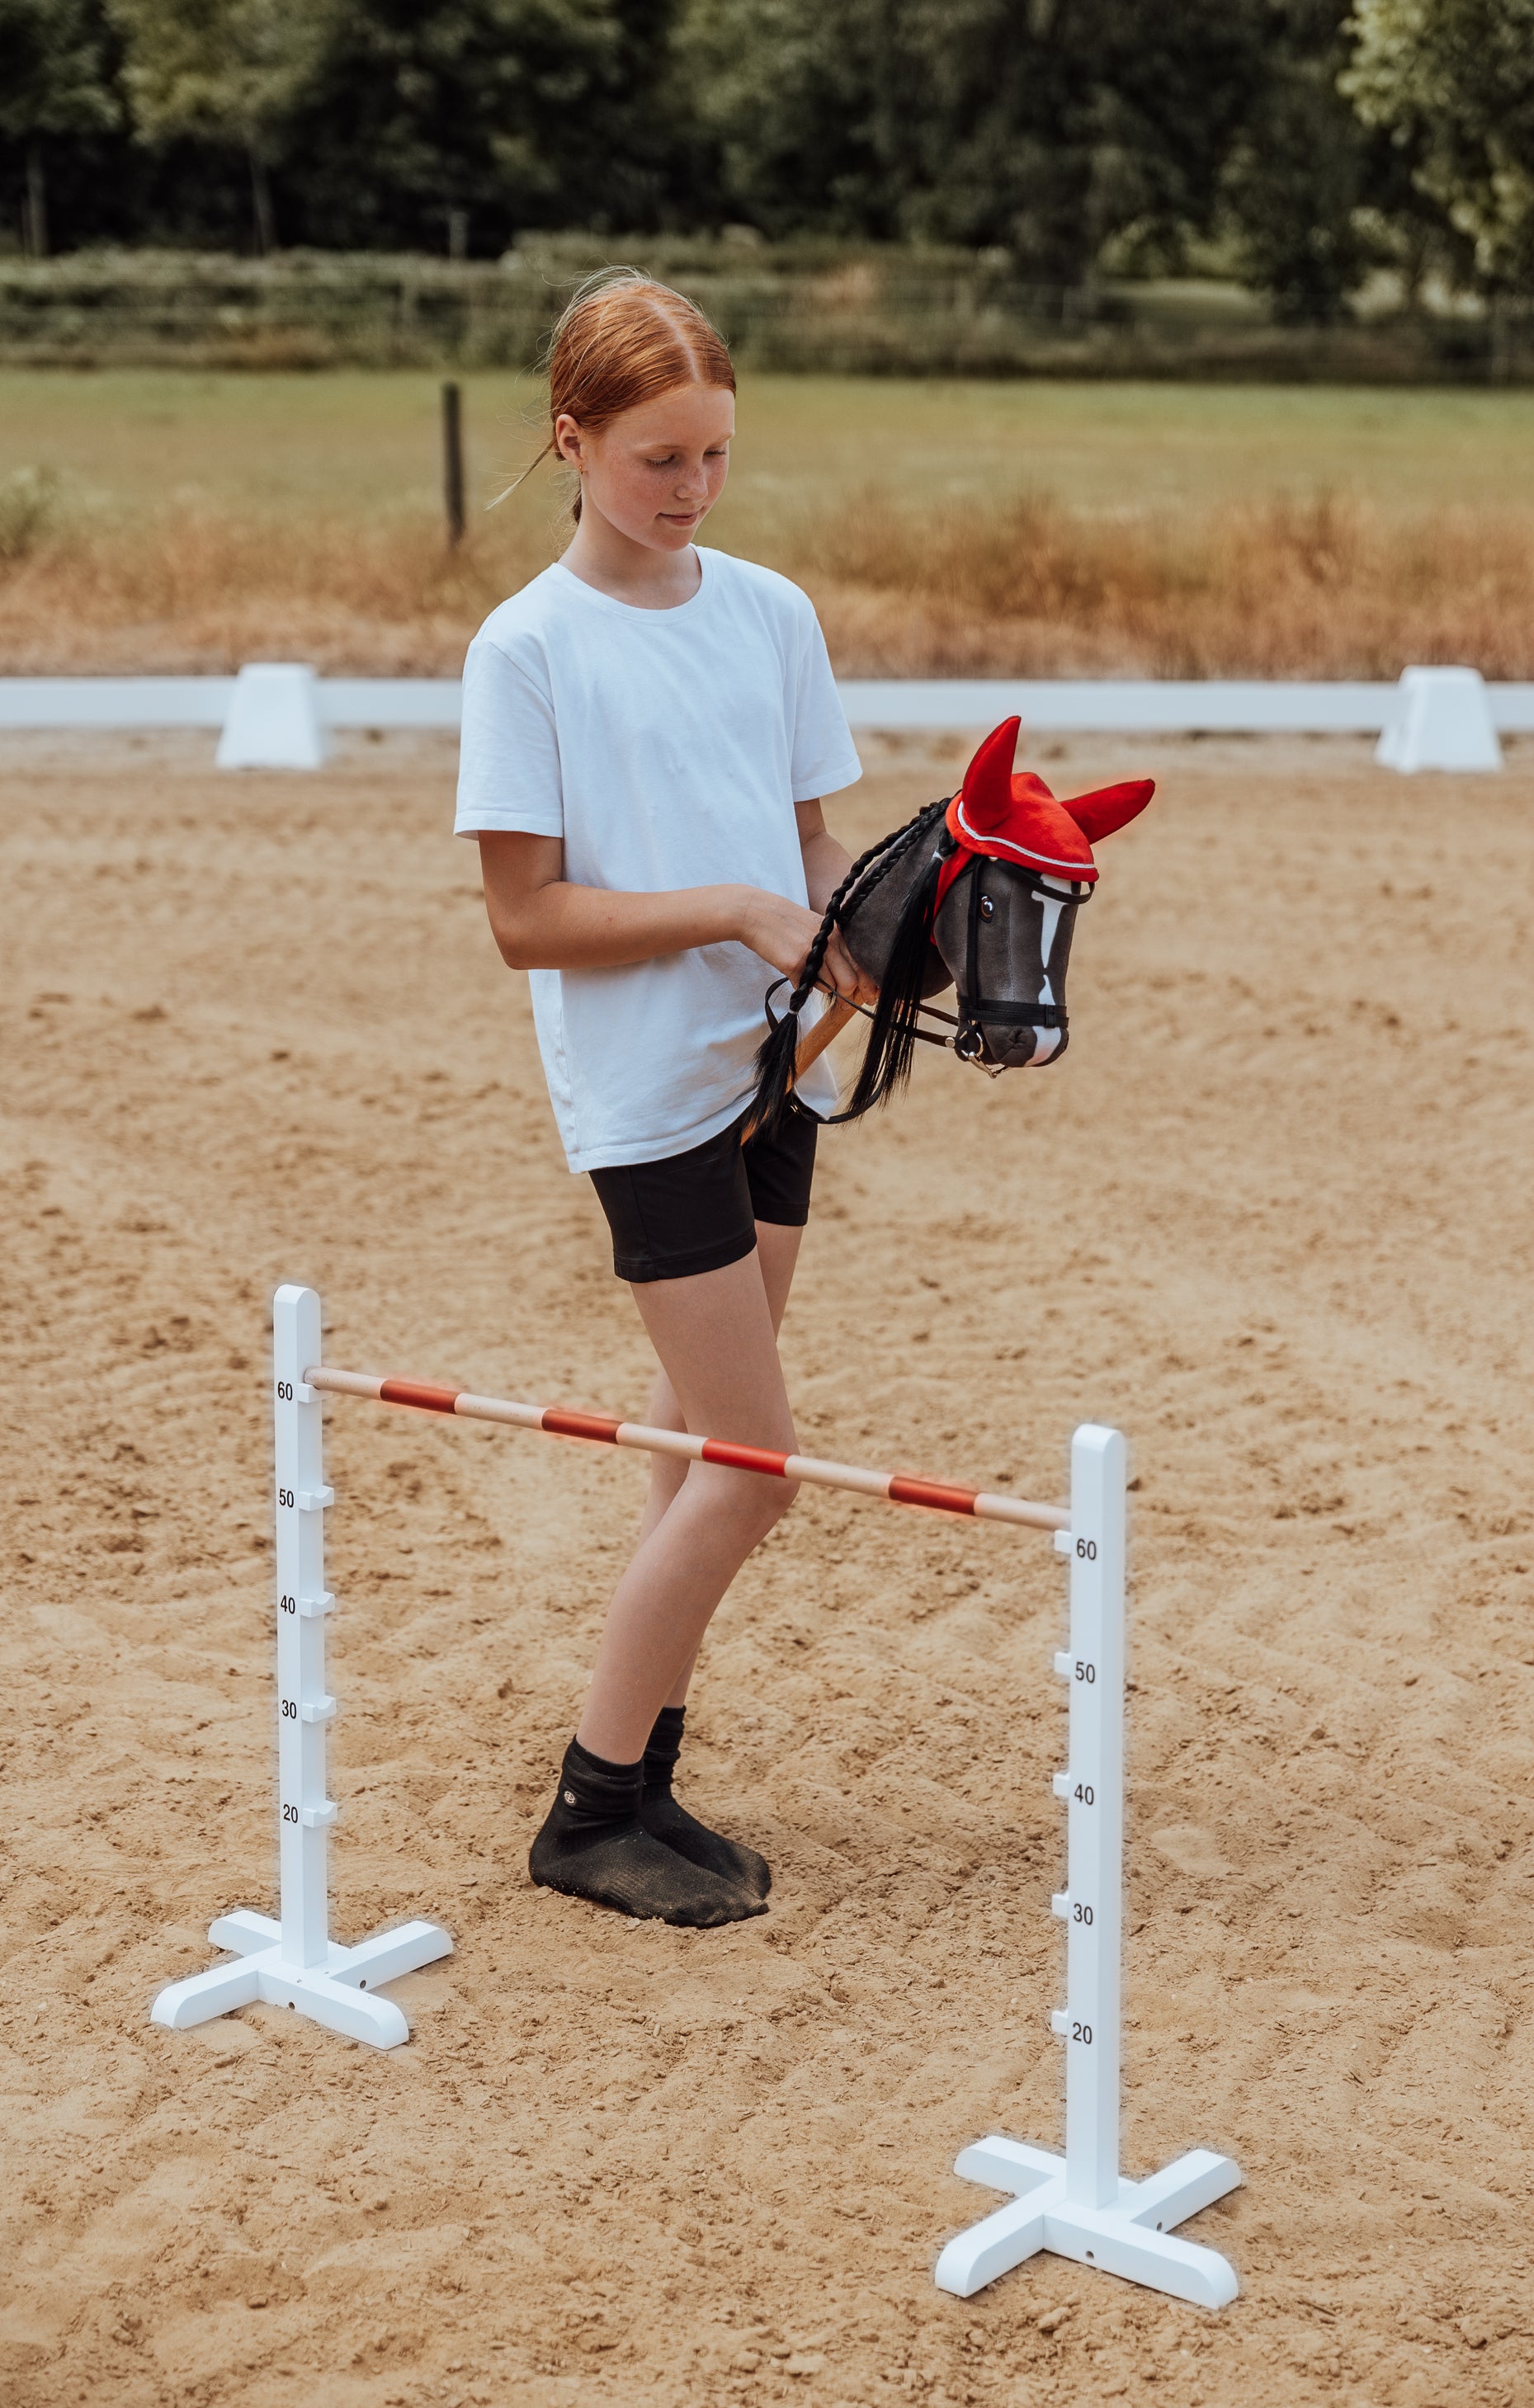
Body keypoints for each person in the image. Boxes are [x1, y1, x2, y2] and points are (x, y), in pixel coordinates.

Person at [454, 271, 870, 1929]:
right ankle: (587, 1810)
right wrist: (731, 909)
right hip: (649, 1100)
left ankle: (645, 1778)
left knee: (694, 1458)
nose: (691, 488)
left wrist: (874, 935)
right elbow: (524, 919)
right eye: (657, 460)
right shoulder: (527, 650)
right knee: (752, 1469)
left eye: (713, 455)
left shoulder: (769, 614)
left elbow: (813, 844)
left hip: (778, 1076)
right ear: (573, 442)